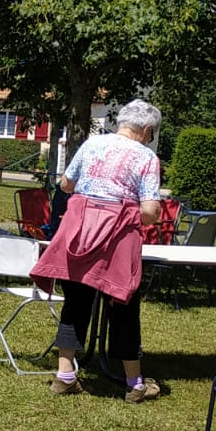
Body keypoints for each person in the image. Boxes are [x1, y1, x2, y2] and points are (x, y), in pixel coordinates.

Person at [31, 99, 165, 403]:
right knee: (124, 306)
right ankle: (134, 384)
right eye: (152, 134)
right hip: (117, 240)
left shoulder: (91, 144)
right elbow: (149, 211)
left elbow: (66, 184)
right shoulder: (146, 157)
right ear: (147, 130)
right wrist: (126, 211)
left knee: (75, 303)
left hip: (79, 233)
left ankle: (65, 376)